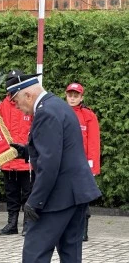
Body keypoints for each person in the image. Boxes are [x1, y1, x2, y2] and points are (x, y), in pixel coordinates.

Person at [6, 70, 102, 263]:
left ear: (28, 94)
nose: (17, 108)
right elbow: (61, 149)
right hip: (76, 193)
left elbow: (50, 164)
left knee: (35, 253)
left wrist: (36, 201)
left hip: (59, 196)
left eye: (16, 101)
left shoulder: (45, 113)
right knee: (70, 254)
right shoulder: (57, 104)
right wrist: (26, 151)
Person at [65, 82, 101, 241]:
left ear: (81, 97)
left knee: (82, 198)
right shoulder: (62, 112)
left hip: (82, 165)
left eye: (76, 96)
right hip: (66, 164)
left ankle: (83, 231)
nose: (72, 98)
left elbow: (93, 142)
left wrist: (91, 165)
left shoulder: (88, 115)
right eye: (70, 95)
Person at [0, 88, 34, 236]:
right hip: (8, 160)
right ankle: (12, 224)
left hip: (26, 162)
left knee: (28, 195)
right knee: (11, 195)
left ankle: (27, 224)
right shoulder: (2, 106)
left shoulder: (28, 104)